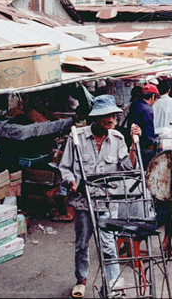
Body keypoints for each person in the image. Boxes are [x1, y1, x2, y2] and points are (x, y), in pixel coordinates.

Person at [59, 94, 141, 298]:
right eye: (106, 115)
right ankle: (81, 279)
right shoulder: (77, 138)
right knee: (82, 244)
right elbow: (65, 168)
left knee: (108, 245)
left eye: (113, 115)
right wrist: (71, 182)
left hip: (106, 202)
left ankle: (113, 285)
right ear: (96, 117)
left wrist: (133, 145)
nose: (111, 119)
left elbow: (127, 168)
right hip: (83, 202)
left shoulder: (118, 139)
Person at [126, 84, 159, 168]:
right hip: (143, 149)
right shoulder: (147, 110)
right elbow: (148, 137)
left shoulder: (135, 104)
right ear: (153, 96)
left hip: (132, 145)